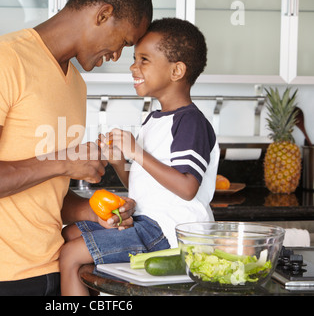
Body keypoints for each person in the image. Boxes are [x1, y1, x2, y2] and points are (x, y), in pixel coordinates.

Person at [0, 0, 153, 296]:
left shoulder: (76, 84)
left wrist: (91, 211)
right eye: (124, 42)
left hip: (51, 269)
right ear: (103, 15)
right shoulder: (2, 59)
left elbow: (44, 193)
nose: (117, 56)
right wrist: (63, 161)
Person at [59, 17, 220, 296]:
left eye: (144, 60)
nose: (133, 67)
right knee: (68, 234)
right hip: (149, 226)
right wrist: (120, 161)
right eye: (135, 59)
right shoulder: (154, 119)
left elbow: (186, 187)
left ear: (176, 70)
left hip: (172, 236)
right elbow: (142, 182)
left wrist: (136, 151)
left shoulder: (190, 122)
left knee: (71, 254)